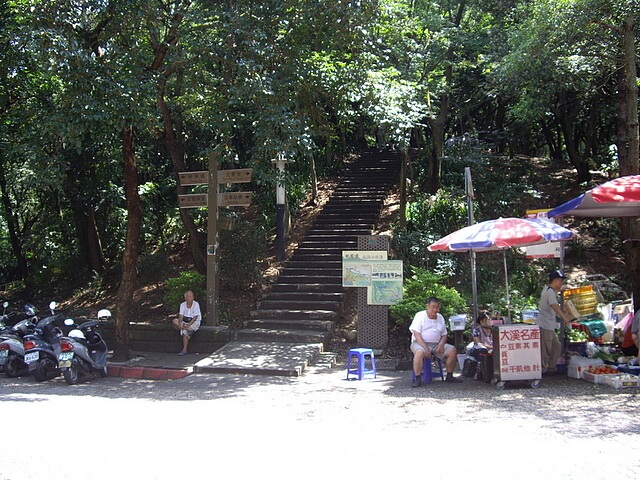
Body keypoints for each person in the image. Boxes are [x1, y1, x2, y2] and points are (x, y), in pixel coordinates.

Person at [409, 297, 462, 387]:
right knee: (419, 352)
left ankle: (449, 375)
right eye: (433, 307)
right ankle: (418, 378)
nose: (435, 309)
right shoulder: (420, 315)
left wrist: (441, 344)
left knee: (452, 350)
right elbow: (417, 334)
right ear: (427, 306)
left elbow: (444, 334)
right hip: (419, 343)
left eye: (437, 307)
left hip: (436, 344)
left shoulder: (440, 317)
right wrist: (425, 347)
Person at [536, 270, 575, 375]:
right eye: (560, 281)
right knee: (546, 348)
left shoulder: (549, 289)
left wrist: (565, 288)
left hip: (548, 324)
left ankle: (551, 367)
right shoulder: (550, 292)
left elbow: (559, 290)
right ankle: (544, 369)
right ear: (555, 280)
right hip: (545, 324)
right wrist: (564, 317)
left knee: (556, 346)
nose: (561, 284)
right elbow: (555, 305)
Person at [171, 290, 201, 356]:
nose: (189, 298)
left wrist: (188, 325)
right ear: (185, 298)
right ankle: (187, 329)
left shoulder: (196, 304)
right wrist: (180, 323)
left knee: (185, 332)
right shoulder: (182, 305)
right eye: (188, 297)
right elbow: (181, 315)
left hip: (194, 322)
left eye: (191, 296)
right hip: (185, 321)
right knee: (174, 321)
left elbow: (195, 317)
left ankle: (184, 349)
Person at [468, 312, 494, 380]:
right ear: (481, 321)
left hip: (493, 348)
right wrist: (490, 348)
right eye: (485, 321)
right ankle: (479, 372)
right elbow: (478, 343)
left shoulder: (494, 330)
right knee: (482, 351)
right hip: (481, 349)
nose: (487, 323)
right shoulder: (477, 330)